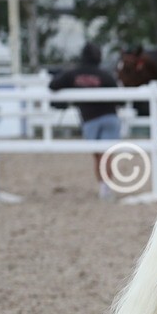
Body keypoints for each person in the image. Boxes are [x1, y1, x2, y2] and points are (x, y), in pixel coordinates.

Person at [50, 43, 121, 199]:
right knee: (108, 155)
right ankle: (107, 188)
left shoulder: (73, 74)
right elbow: (119, 97)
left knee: (97, 156)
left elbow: (53, 85)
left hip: (90, 120)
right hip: (109, 116)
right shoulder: (104, 75)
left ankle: (103, 188)